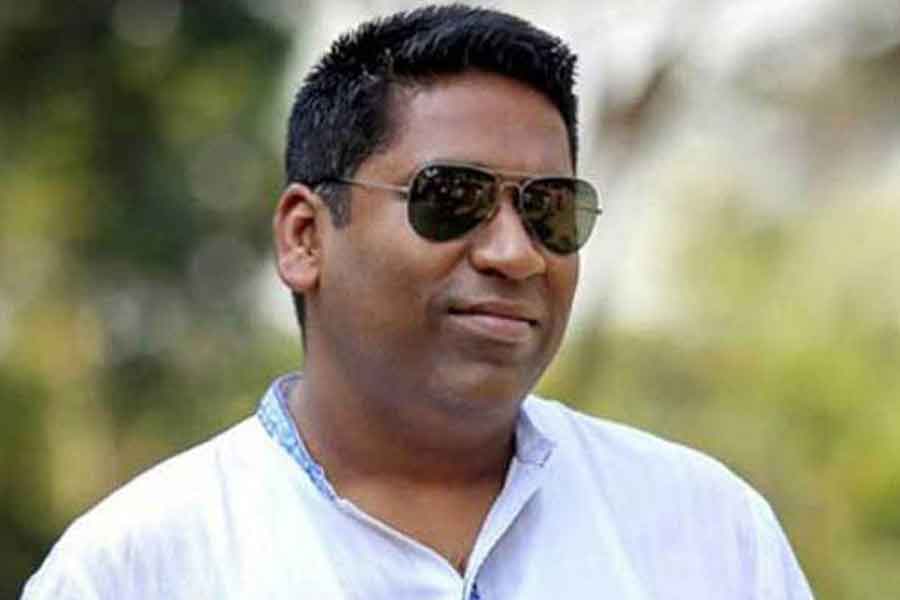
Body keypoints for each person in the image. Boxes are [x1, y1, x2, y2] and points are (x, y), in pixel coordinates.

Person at [22, 5, 814, 599]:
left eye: (549, 209)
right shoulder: (136, 571)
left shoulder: (707, 535)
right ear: (304, 237)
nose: (515, 253)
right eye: (452, 197)